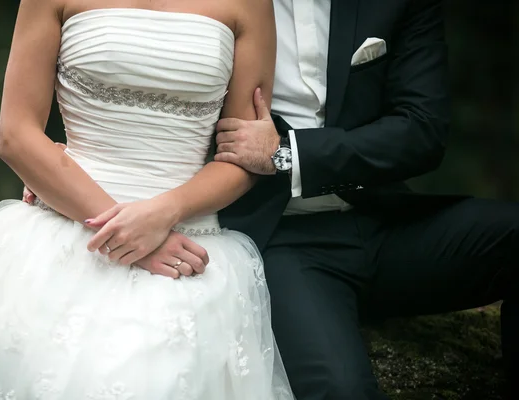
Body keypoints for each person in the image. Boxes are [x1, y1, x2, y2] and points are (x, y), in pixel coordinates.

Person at [26, 0, 519, 398]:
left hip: (385, 219)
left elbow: (422, 132)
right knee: (341, 389)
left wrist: (289, 153)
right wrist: (67, 164)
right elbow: (135, 73)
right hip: (280, 242)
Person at [0, 1, 296, 399]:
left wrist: (166, 212)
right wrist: (124, 233)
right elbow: (15, 135)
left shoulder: (250, 5)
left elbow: (246, 156)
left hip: (186, 244)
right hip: (64, 234)